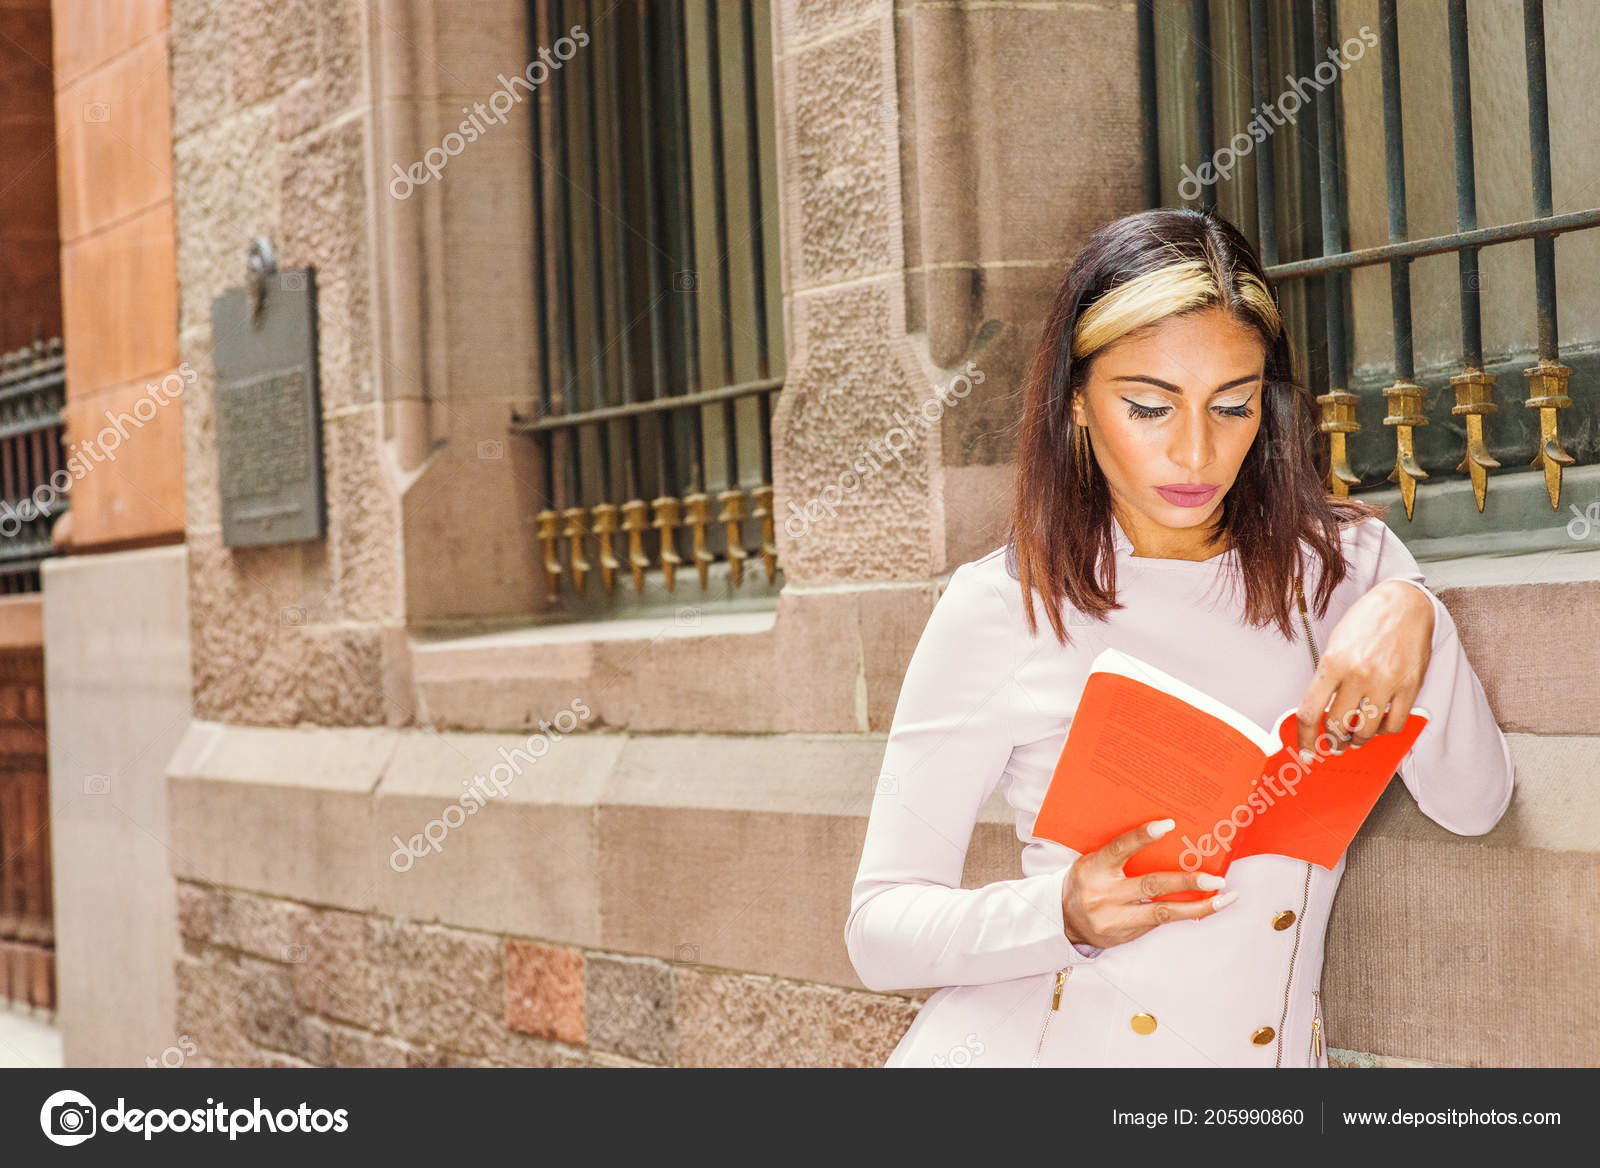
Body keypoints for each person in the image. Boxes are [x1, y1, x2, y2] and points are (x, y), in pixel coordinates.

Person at [843, 207, 1515, 1067]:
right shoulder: (1006, 604)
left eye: (1231, 407)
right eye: (1150, 407)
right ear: (1078, 402)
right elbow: (879, 928)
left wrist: (1412, 608)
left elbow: (1475, 803)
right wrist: (1061, 913)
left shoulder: (1343, 567)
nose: (1196, 452)